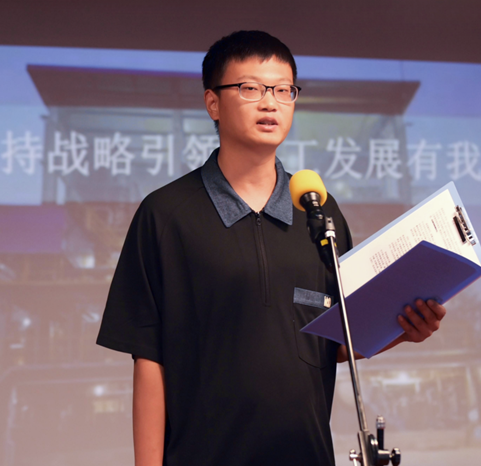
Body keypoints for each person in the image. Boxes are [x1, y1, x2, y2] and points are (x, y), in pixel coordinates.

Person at [96, 30, 446, 466]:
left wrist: (402, 327)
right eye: (250, 89)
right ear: (213, 103)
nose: (270, 103)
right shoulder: (166, 214)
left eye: (284, 90)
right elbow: (150, 361)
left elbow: (334, 342)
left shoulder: (319, 210)